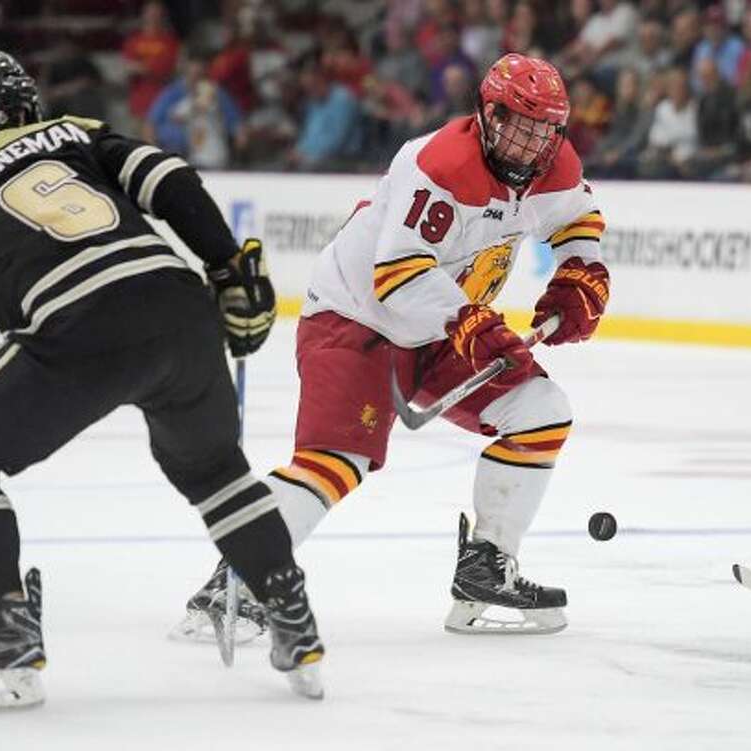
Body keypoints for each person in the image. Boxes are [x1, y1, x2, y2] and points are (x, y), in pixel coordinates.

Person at [175, 53, 610, 637]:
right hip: (357, 319)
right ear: (486, 112)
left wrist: (580, 275)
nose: (529, 146)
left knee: (542, 413)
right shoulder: (438, 165)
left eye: (543, 132)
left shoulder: (554, 165)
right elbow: (398, 275)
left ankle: (486, 568)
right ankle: (235, 583)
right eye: (517, 126)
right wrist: (473, 323)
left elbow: (577, 221)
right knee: (335, 461)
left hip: (439, 328)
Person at [0, 51, 324, 708]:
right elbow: (168, 176)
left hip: (74, 322)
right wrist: (228, 267)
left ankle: (6, 624)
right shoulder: (78, 132)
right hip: (180, 311)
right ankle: (292, 615)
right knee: (215, 471)